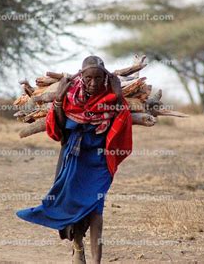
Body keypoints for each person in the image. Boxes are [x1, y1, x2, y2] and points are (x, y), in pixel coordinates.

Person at [16, 56, 133, 263]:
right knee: (71, 204)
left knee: (96, 209)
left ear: (105, 77)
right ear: (81, 75)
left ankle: (96, 261)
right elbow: (59, 130)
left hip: (99, 161)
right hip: (74, 156)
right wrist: (59, 99)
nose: (93, 83)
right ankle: (78, 246)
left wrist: (116, 97)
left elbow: (121, 127)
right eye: (89, 78)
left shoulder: (111, 95)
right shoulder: (70, 93)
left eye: (98, 78)